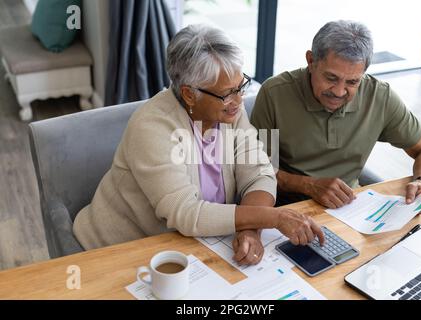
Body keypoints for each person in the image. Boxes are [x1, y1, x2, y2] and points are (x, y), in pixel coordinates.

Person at [73, 24, 325, 265]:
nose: (239, 101)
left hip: (194, 247)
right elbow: (186, 213)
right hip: (119, 250)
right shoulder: (151, 127)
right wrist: (274, 217)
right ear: (189, 94)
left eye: (241, 87)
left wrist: (250, 231)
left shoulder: (229, 112)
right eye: (227, 93)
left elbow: (259, 173)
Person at [251, 20, 421, 208]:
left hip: (350, 208)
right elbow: (253, 168)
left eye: (352, 82)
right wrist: (308, 185)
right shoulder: (274, 94)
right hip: (285, 207)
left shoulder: (379, 97)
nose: (339, 91)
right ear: (311, 61)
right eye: (331, 77)